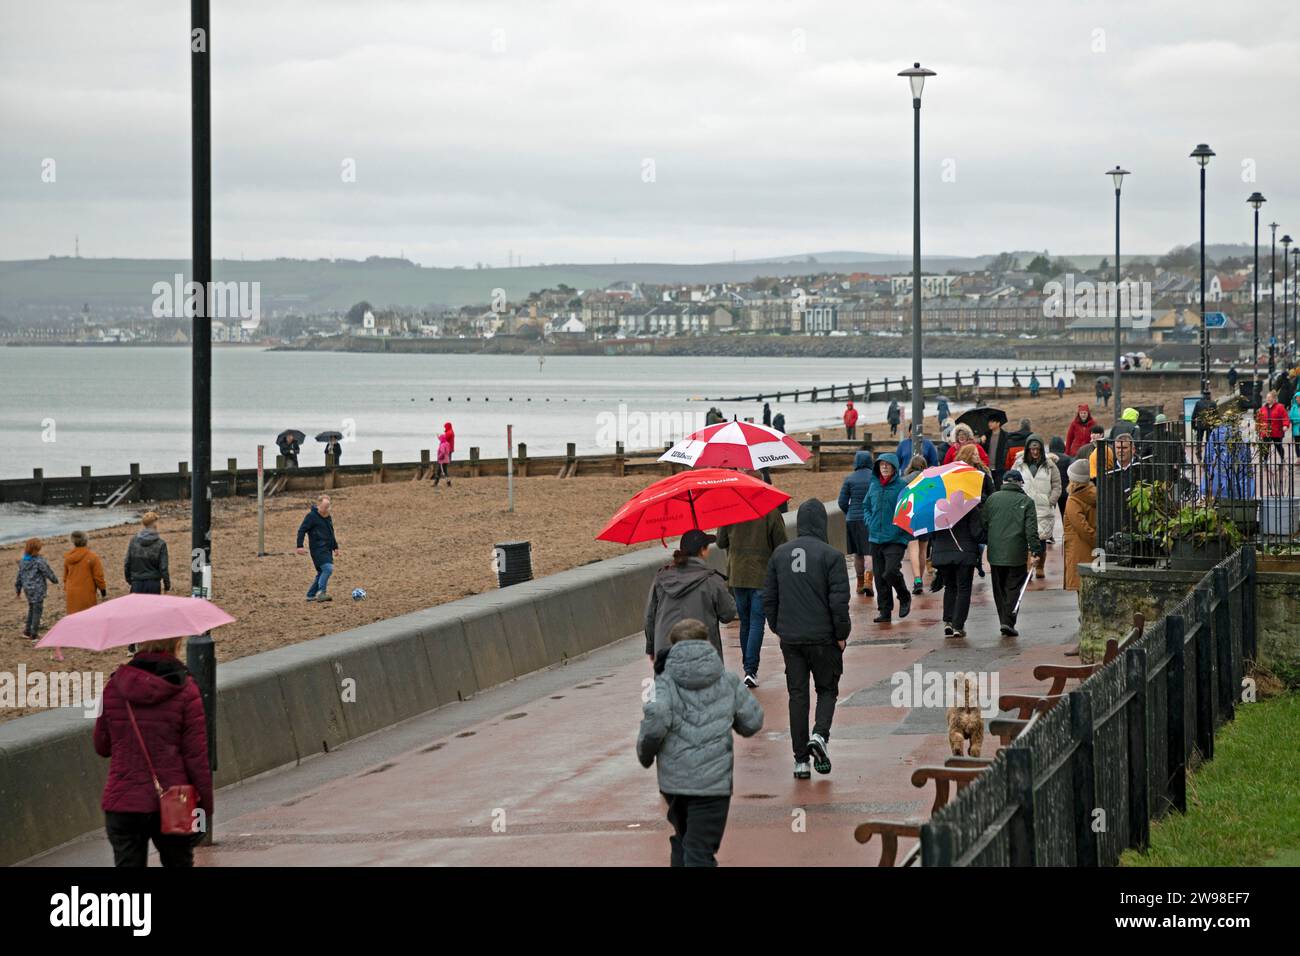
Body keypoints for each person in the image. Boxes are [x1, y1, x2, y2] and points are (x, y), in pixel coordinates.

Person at [636, 618, 763, 867]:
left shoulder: (664, 682)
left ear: (673, 645)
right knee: (699, 848)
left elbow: (656, 719)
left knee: (685, 840)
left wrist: (645, 754)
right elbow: (752, 722)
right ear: (707, 642)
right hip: (713, 783)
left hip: (675, 782)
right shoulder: (727, 680)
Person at [93, 636, 214, 867]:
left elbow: (101, 746)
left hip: (124, 799)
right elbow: (196, 759)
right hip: (174, 798)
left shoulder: (114, 687)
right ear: (176, 643)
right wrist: (204, 809)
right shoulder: (186, 690)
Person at [763, 500, 850, 778]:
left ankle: (801, 760)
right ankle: (820, 735)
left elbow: (769, 598)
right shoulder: (832, 556)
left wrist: (778, 627)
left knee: (797, 696)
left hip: (792, 639)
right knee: (827, 689)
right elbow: (839, 603)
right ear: (822, 523)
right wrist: (841, 635)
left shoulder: (779, 555)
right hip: (823, 638)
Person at [716, 495, 787, 687]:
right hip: (761, 576)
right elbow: (781, 544)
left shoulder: (731, 511)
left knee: (745, 622)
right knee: (757, 622)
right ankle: (751, 670)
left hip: (737, 576)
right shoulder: (771, 512)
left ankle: (747, 667)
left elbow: (721, 542)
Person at [644, 529, 736, 663]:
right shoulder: (712, 580)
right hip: (703, 653)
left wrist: (651, 647)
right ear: (702, 550)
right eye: (707, 547)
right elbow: (728, 613)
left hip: (666, 652)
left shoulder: (661, 578)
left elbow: (650, 617)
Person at [930, 448, 991, 638]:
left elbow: (933, 534)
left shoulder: (938, 508)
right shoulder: (969, 506)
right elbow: (977, 533)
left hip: (942, 555)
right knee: (964, 588)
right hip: (964, 554)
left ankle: (948, 621)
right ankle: (958, 625)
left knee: (950, 587)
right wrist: (989, 535)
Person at [980, 471, 1043, 637]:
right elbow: (1031, 530)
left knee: (999, 589)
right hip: (1016, 552)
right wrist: (1035, 550)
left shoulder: (992, 499)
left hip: (995, 552)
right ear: (1020, 483)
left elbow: (984, 523)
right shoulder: (1026, 501)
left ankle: (1004, 620)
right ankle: (1008, 621)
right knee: (1013, 587)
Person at [862, 453, 912, 623]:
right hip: (875, 537)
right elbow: (866, 506)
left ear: (894, 468)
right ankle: (885, 611)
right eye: (881, 464)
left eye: (887, 465)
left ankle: (904, 595)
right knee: (879, 576)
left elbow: (908, 511)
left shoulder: (902, 487)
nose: (884, 467)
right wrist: (870, 522)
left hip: (896, 538)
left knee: (890, 572)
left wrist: (901, 531)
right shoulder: (874, 485)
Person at [1011, 434, 1060, 580]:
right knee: (1025, 539)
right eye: (1032, 449)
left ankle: (1040, 566)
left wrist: (1051, 500)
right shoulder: (1019, 464)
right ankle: (1027, 567)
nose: (1035, 452)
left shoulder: (1050, 465)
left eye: (1037, 448)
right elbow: (1012, 481)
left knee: (1041, 539)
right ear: (1027, 449)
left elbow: (1057, 485)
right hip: (1024, 506)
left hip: (1043, 507)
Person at [836, 450, 876, 598]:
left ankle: (859, 584)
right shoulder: (874, 478)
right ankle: (868, 582)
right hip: (869, 519)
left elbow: (841, 502)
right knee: (869, 552)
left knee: (857, 553)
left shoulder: (849, 479)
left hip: (852, 519)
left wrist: (850, 512)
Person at [296, 494, 340, 602]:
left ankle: (311, 594)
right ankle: (321, 592)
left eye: (328, 507)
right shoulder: (311, 516)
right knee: (328, 569)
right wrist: (299, 546)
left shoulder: (328, 517)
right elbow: (302, 530)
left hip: (327, 549)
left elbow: (331, 532)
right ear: (318, 505)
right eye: (324, 506)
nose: (326, 509)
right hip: (317, 549)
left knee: (321, 572)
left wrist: (335, 547)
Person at [1063, 459, 1096, 592]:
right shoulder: (1094, 494)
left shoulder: (1073, 500)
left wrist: (1096, 540)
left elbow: (1082, 528)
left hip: (1078, 550)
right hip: (1093, 552)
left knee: (1082, 588)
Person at [15, 538, 58, 640]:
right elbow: (47, 571)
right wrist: (55, 580)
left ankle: (27, 631)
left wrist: (18, 589)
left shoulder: (22, 561)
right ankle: (34, 634)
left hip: (27, 590)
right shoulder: (39, 561)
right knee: (37, 610)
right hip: (37, 590)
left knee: (31, 608)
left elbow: (19, 577)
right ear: (36, 549)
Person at [901, 454, 930, 595]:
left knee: (913, 547)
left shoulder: (904, 481)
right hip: (925, 516)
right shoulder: (929, 480)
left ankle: (917, 578)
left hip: (911, 516)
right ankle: (920, 580)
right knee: (923, 549)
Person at [124, 512, 171, 595]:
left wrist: (130, 580)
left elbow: (127, 562)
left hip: (136, 583)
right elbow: (163, 568)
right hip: (153, 584)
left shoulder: (133, 541)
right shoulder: (161, 544)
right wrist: (167, 585)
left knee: (137, 608)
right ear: (154, 524)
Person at [64, 530, 107, 616]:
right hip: (86, 592)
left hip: (71, 591)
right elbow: (98, 577)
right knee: (88, 616)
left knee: (74, 617)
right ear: (86, 541)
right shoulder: (92, 556)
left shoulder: (68, 557)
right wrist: (103, 590)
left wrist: (67, 588)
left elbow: (65, 576)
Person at [1257, 390, 1288, 462]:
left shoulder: (1280, 407)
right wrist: (1259, 426)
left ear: (1274, 399)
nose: (1268, 399)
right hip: (1266, 431)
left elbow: (1285, 417)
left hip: (1277, 431)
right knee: (1266, 447)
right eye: (1267, 397)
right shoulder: (1263, 408)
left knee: (1278, 446)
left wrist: (1285, 425)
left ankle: (1282, 458)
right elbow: (1259, 418)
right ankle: (1265, 460)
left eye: (1269, 397)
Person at [1049, 437, 1073, 519]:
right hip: (1064, 491)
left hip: (1050, 491)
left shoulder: (1047, 458)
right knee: (1065, 516)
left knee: (1048, 516)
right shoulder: (1067, 459)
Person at [983, 417, 1009, 488]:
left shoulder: (1005, 436)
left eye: (992, 422)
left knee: (999, 488)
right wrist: (981, 441)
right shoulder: (986, 435)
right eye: (989, 422)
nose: (989, 424)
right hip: (988, 468)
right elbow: (983, 451)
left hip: (1000, 469)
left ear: (998, 423)